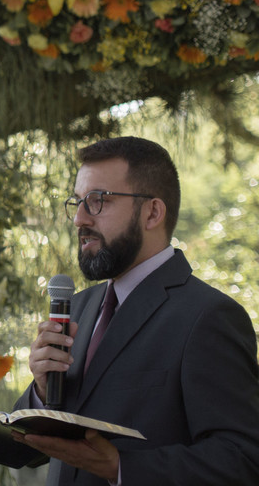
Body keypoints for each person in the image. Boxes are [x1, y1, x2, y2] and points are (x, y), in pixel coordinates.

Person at [15, 136, 259, 485]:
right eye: (77, 202)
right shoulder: (79, 307)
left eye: (98, 201)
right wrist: (40, 391)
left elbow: (242, 460)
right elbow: (36, 451)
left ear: (153, 212)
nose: (79, 219)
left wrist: (120, 468)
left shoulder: (209, 317)